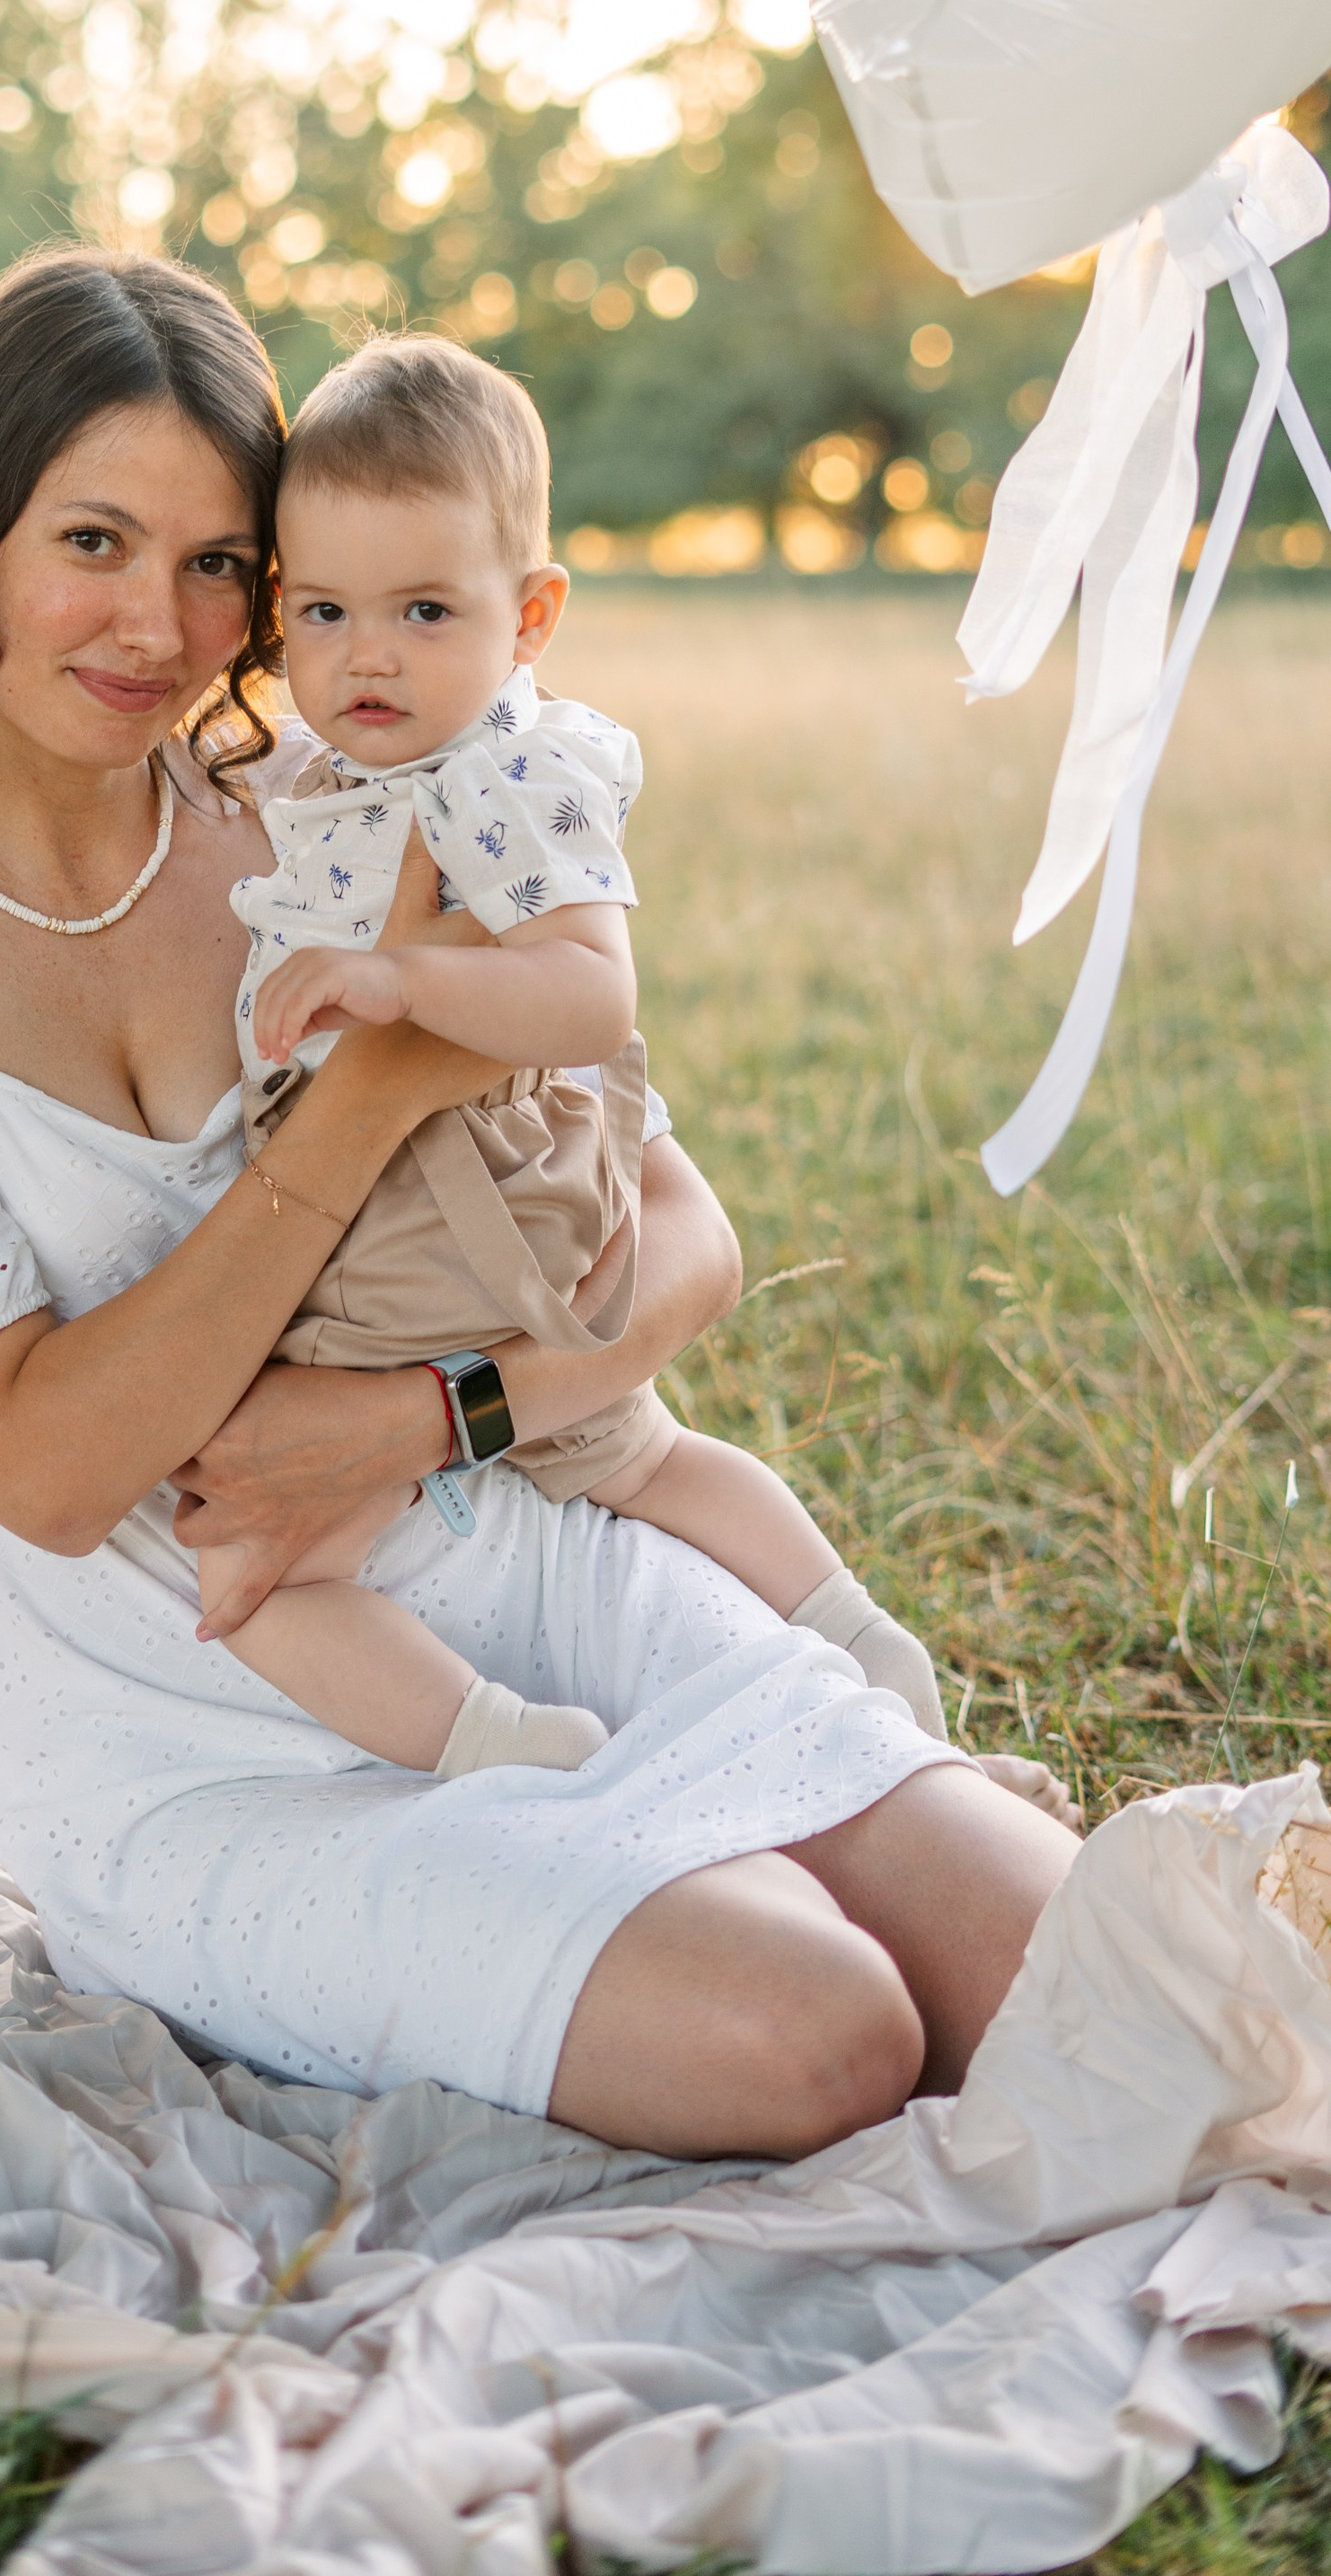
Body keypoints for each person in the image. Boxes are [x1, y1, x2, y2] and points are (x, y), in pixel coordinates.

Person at [0, 243, 1079, 2164]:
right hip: (200, 1708)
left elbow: (680, 1232)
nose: (160, 626)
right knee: (819, 2031)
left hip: (519, 1554)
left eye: (216, 565)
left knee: (1065, 1972)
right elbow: (46, 1469)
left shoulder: (345, 803)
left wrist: (433, 1416)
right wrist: (366, 1105)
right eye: (94, 539)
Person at [201, 332, 951, 1780]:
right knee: (637, 1457)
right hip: (476, 1210)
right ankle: (844, 1632)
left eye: (426, 609)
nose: (368, 654)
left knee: (261, 1568)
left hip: (441, 1217)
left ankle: (499, 1747)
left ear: (531, 614)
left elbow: (593, 997)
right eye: (326, 610)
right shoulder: (354, 770)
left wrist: (394, 977)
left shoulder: (503, 780)